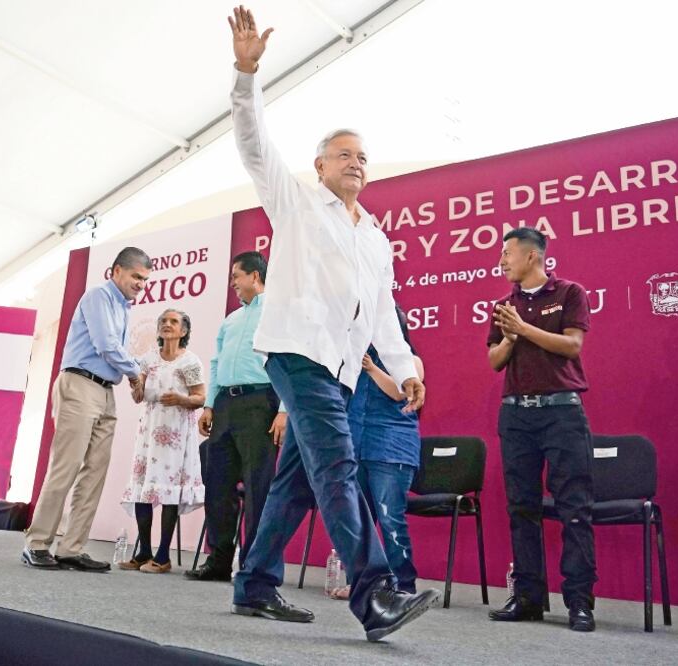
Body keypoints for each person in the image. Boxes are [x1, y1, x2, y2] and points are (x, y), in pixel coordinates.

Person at [225, 6, 440, 642]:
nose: (355, 162)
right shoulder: (295, 203)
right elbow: (253, 143)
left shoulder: (376, 239)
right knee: (338, 467)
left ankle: (254, 585)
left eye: (362, 156)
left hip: (344, 371)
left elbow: (382, 318)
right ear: (319, 167)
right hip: (295, 352)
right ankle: (374, 595)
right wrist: (245, 75)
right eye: (342, 154)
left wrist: (405, 371)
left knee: (295, 483)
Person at [486, 227, 597, 632]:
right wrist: (512, 336)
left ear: (532, 256)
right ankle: (530, 598)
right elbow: (495, 360)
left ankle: (579, 602)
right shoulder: (503, 306)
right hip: (516, 415)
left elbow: (572, 346)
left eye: (507, 253)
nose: (501, 261)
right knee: (521, 508)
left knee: (574, 508)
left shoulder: (569, 293)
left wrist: (524, 329)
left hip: (561, 413)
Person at [22, 247, 151, 572]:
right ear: (116, 271)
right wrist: (136, 373)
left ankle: (71, 547)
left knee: (95, 472)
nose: (141, 284)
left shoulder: (124, 308)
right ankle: (37, 543)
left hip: (106, 390)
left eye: (145, 279)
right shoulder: (98, 297)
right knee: (66, 465)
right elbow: (106, 344)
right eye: (136, 276)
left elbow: (114, 352)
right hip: (79, 384)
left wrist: (132, 373)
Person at [185, 251, 287, 583]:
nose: (233, 284)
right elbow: (215, 364)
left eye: (236, 277)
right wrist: (210, 405)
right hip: (225, 407)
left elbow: (287, 361)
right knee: (218, 485)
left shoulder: (277, 312)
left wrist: (285, 410)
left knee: (259, 487)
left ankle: (253, 564)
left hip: (261, 403)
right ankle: (219, 559)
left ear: (254, 276)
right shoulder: (230, 320)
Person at [332, 306, 423, 599]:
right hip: (357, 445)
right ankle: (361, 583)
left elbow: (400, 391)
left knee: (390, 518)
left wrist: (371, 368)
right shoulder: (355, 362)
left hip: (392, 449)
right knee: (358, 519)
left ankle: (403, 584)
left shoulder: (411, 361)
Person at [119, 309, 206, 574]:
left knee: (168, 489)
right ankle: (143, 550)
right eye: (163, 322)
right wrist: (135, 383)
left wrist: (180, 399)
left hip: (177, 434)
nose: (167, 325)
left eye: (174, 322)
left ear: (184, 331)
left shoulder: (190, 362)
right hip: (149, 430)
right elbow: (138, 396)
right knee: (143, 488)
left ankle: (163, 555)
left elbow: (200, 398)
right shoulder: (147, 360)